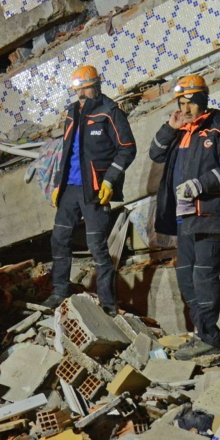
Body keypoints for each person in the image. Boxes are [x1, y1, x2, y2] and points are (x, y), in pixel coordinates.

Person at [149, 75, 220, 360]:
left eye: (190, 102)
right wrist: (170, 127)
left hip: (209, 217)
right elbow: (155, 153)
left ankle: (210, 337)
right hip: (184, 218)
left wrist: (199, 185)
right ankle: (200, 335)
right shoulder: (181, 129)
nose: (185, 108)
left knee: (204, 279)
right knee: (186, 279)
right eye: (181, 102)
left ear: (203, 100)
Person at [43, 65, 136, 316]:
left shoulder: (110, 113)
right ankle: (59, 291)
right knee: (59, 239)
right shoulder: (73, 112)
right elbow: (67, 152)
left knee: (97, 246)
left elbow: (127, 148)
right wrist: (57, 184)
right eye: (77, 90)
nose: (81, 94)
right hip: (70, 189)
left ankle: (108, 303)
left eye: (85, 88)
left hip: (95, 189)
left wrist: (110, 181)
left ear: (97, 85)